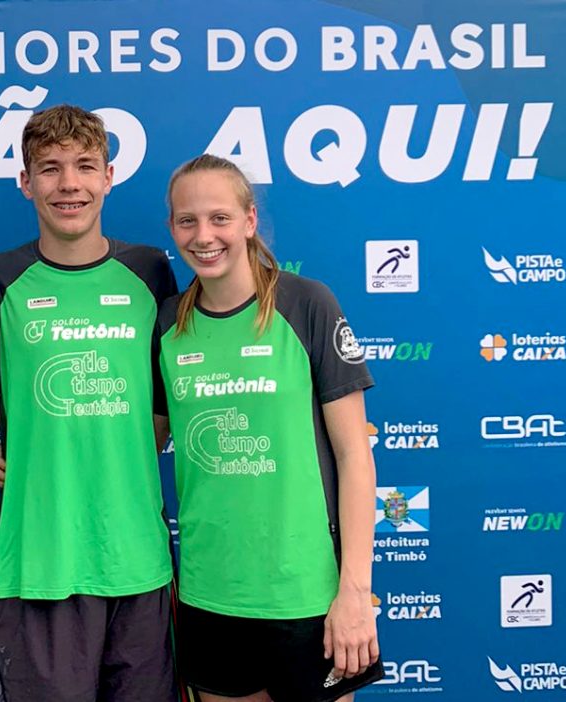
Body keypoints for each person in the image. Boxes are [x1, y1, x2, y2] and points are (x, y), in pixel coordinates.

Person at [155, 155, 383, 702]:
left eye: (220, 218)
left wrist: (355, 592)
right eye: (187, 221)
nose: (203, 236)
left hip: (307, 597)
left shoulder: (306, 304)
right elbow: (140, 440)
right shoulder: (166, 323)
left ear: (249, 220)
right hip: (210, 595)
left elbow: (355, 457)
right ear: (172, 228)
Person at [0, 104, 177, 702]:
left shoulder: (149, 271)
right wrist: (21, 444)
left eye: (86, 166)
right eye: (50, 168)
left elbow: (171, 400)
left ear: (109, 177)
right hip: (40, 562)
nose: (69, 184)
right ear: (25, 182)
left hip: (136, 558)